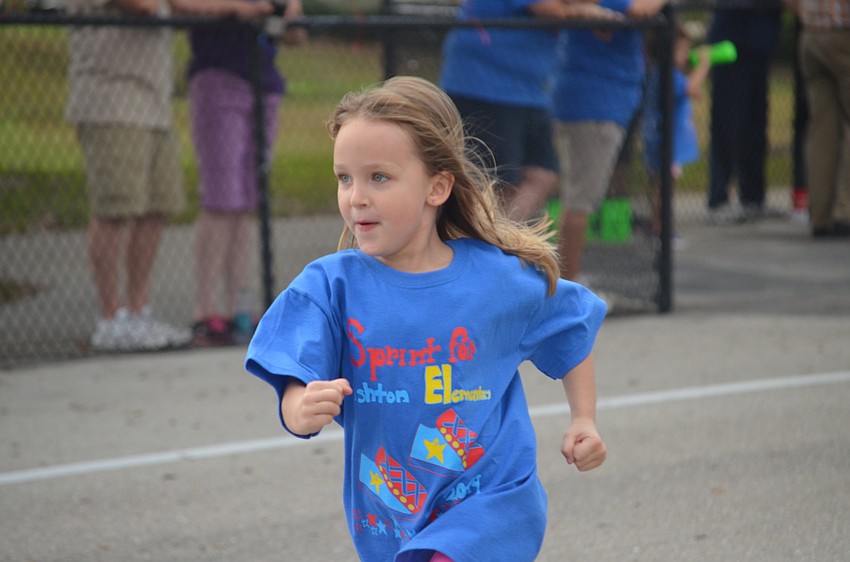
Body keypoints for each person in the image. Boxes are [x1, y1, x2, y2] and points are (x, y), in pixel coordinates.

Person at [245, 76, 608, 562]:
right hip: (393, 510)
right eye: (344, 178)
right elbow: (293, 367)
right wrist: (297, 406)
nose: (356, 197)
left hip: (491, 499)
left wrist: (583, 418)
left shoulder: (496, 278)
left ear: (437, 187)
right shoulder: (331, 286)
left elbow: (570, 326)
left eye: (379, 177)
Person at [65, 0, 271, 352]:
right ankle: (110, 319)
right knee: (115, 209)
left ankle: (137, 311)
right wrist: (235, 7)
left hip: (153, 102)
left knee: (155, 207)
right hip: (111, 97)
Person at [188, 0, 306, 346]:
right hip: (220, 75)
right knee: (221, 195)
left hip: (263, 81)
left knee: (246, 199)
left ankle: (235, 304)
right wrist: (238, 8)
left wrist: (288, 13)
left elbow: (296, 37)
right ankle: (205, 310)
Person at [439, 0, 621, 223]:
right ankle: (484, 246)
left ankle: (498, 243)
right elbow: (552, 10)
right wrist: (585, 12)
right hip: (487, 88)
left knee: (543, 174)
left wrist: (592, 15)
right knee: (498, 184)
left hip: (528, 92)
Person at [551, 0, 668, 283]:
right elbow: (639, 10)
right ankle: (567, 286)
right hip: (596, 105)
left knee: (579, 197)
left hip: (598, 101)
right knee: (581, 200)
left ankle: (566, 280)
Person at [705, 0, 782, 221]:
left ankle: (753, 197)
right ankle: (718, 199)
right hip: (731, 42)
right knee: (727, 124)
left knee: (755, 124)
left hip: (759, 44)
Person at [642, 24, 712, 244]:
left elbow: (686, 91)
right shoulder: (669, 75)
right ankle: (662, 230)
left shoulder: (663, 74)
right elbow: (690, 88)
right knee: (664, 189)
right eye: (682, 50)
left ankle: (659, 228)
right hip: (666, 144)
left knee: (661, 187)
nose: (686, 55)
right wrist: (704, 66)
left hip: (661, 141)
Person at [795, 0, 850, 237]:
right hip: (842, 34)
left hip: (811, 35)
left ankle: (820, 215)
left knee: (822, 130)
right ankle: (845, 211)